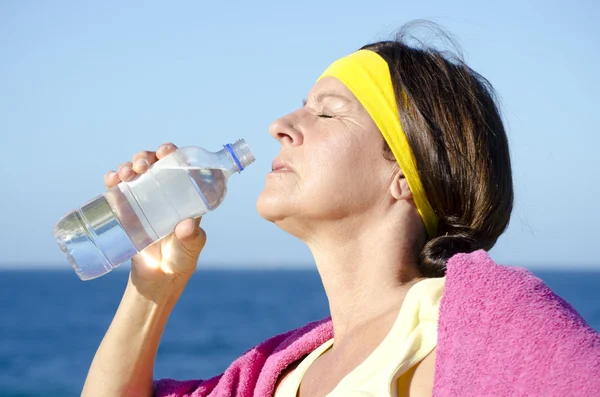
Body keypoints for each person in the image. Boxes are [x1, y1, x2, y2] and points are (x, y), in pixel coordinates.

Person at [81, 25, 600, 397]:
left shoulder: (481, 327)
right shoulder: (281, 372)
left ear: (405, 173)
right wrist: (152, 285)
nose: (280, 124)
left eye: (327, 111)